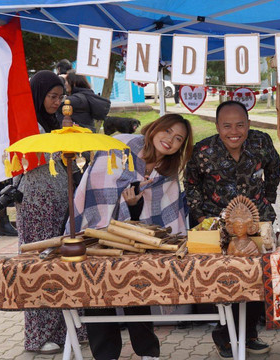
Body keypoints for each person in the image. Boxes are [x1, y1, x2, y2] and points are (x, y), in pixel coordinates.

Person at [72, 113, 193, 360]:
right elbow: (98, 187)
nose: (170, 139)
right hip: (97, 230)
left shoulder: (167, 172)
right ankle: (105, 354)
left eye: (178, 138)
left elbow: (159, 215)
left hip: (136, 240)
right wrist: (120, 208)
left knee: (138, 288)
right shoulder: (122, 146)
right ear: (155, 128)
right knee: (97, 290)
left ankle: (147, 351)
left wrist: (134, 205)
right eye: (167, 131)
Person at [184, 100, 280, 359]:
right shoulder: (203, 150)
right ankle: (224, 334)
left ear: (248, 124)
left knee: (259, 278)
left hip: (258, 221)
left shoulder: (261, 142)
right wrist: (203, 217)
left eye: (240, 124)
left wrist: (268, 197)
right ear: (217, 126)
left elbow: (274, 166)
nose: (234, 131)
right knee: (227, 280)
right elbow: (190, 184)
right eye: (226, 126)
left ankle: (248, 335)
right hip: (219, 225)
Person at [16, 70, 87, 354]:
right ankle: (39, 335)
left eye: (60, 97)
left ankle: (67, 329)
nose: (57, 102)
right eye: (52, 96)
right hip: (36, 202)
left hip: (59, 199)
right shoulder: (27, 124)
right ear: (38, 94)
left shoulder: (55, 122)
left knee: (63, 262)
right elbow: (31, 160)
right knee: (40, 264)